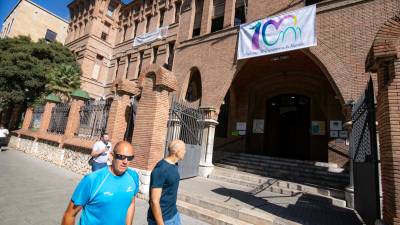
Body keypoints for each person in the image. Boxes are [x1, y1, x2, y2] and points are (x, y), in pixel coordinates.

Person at [62, 141, 140, 225]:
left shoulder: (133, 176)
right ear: (111, 156)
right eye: (121, 156)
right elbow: (69, 215)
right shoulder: (92, 180)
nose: (125, 161)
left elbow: (131, 203)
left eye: (129, 158)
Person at [147, 140, 186, 225]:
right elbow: (154, 201)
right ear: (176, 152)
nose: (185, 152)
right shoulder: (161, 169)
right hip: (162, 219)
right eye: (183, 149)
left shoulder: (174, 165)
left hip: (174, 214)